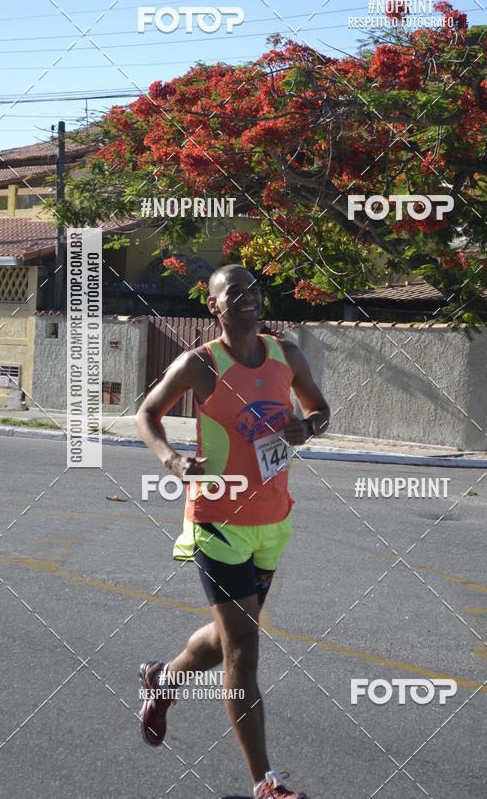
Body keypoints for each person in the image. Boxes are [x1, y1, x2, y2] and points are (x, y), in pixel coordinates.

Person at [136, 264, 330, 799]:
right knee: (244, 644)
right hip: (217, 521)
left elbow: (321, 411)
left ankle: (163, 679)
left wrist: (306, 427)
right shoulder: (200, 365)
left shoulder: (285, 355)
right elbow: (147, 414)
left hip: (273, 522)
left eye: (254, 289)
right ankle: (265, 783)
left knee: (226, 641)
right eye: (233, 292)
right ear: (213, 307)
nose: (248, 298)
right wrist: (172, 460)